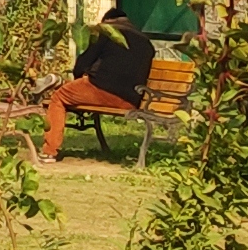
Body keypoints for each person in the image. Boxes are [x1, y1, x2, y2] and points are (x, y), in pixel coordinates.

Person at [31, 13, 155, 159]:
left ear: (107, 21)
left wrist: (79, 77)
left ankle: (49, 152)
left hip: (102, 89)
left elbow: (82, 64)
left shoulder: (104, 33)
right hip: (131, 101)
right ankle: (60, 82)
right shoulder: (146, 43)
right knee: (77, 87)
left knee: (59, 97)